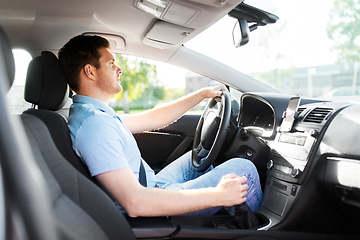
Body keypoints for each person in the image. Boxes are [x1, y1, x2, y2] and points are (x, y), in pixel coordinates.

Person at [58, 35, 263, 217]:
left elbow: (155, 119)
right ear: (90, 72)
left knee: (199, 158)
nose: (119, 68)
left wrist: (202, 94)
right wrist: (218, 195)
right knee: (243, 169)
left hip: (153, 184)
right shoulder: (95, 126)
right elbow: (135, 203)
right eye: (111, 63)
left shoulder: (94, 114)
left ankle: (225, 211)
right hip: (152, 203)